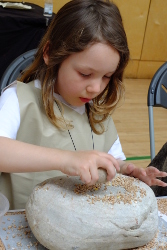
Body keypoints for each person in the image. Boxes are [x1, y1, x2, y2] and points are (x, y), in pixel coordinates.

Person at [0, 0, 166, 209]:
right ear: (50, 53)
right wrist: (66, 159)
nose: (96, 88)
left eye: (107, 76)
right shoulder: (18, 99)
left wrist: (127, 170)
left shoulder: (98, 111)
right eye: (85, 74)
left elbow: (112, 160)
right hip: (17, 227)